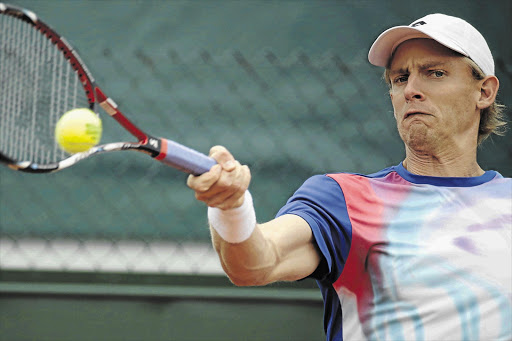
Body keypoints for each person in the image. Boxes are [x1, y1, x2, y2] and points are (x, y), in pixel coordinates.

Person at [187, 13, 511, 341]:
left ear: (484, 92)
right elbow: (255, 264)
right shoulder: (342, 199)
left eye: (435, 73)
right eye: (400, 78)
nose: (411, 89)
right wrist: (231, 208)